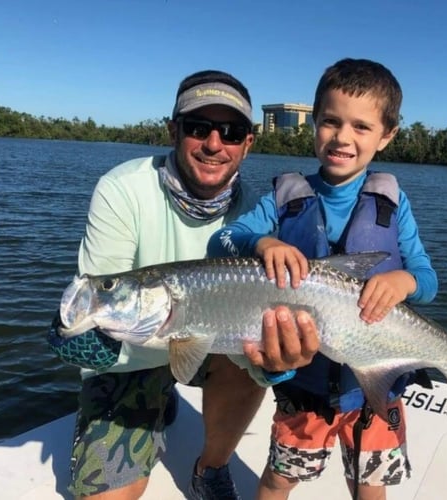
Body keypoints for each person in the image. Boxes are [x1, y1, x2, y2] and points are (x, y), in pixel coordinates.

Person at [48, 69, 320, 500]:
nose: (214, 144)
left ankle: (209, 467)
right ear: (173, 130)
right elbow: (98, 300)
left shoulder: (259, 214)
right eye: (198, 128)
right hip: (129, 358)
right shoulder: (121, 189)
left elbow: (264, 344)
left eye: (230, 132)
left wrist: (277, 361)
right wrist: (76, 329)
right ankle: (157, 396)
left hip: (215, 350)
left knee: (248, 350)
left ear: (248, 143)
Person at [207, 58, 438, 500]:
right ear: (314, 124)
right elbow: (223, 240)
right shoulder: (282, 196)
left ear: (386, 136)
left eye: (361, 127)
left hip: (376, 386)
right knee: (279, 479)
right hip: (304, 387)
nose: (342, 138)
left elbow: (428, 279)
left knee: (373, 486)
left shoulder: (394, 202)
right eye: (330, 122)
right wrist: (263, 244)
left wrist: (404, 283)